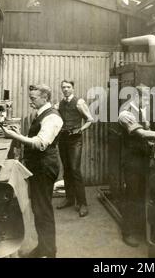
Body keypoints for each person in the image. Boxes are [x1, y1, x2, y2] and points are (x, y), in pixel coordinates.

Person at [4, 84, 63, 258]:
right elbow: (36, 137)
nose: (30, 101)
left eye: (33, 98)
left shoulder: (52, 117)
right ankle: (43, 247)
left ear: (45, 98)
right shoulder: (41, 114)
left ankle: (49, 252)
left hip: (45, 167)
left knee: (43, 210)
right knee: (39, 209)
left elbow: (40, 143)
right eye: (30, 98)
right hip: (39, 166)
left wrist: (14, 136)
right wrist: (19, 133)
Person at [118, 84, 155, 247]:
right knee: (132, 195)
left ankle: (140, 228)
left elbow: (146, 130)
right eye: (147, 98)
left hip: (142, 159)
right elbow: (141, 133)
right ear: (137, 96)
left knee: (142, 194)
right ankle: (127, 232)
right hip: (131, 161)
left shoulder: (142, 111)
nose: (148, 102)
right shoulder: (126, 113)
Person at [56, 80, 94, 217]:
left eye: (68, 87)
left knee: (75, 170)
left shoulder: (79, 103)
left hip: (75, 141)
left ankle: (83, 203)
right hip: (63, 139)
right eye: (63, 87)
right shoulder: (60, 103)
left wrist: (80, 130)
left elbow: (90, 119)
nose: (65, 89)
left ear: (73, 88)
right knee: (66, 169)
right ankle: (69, 199)